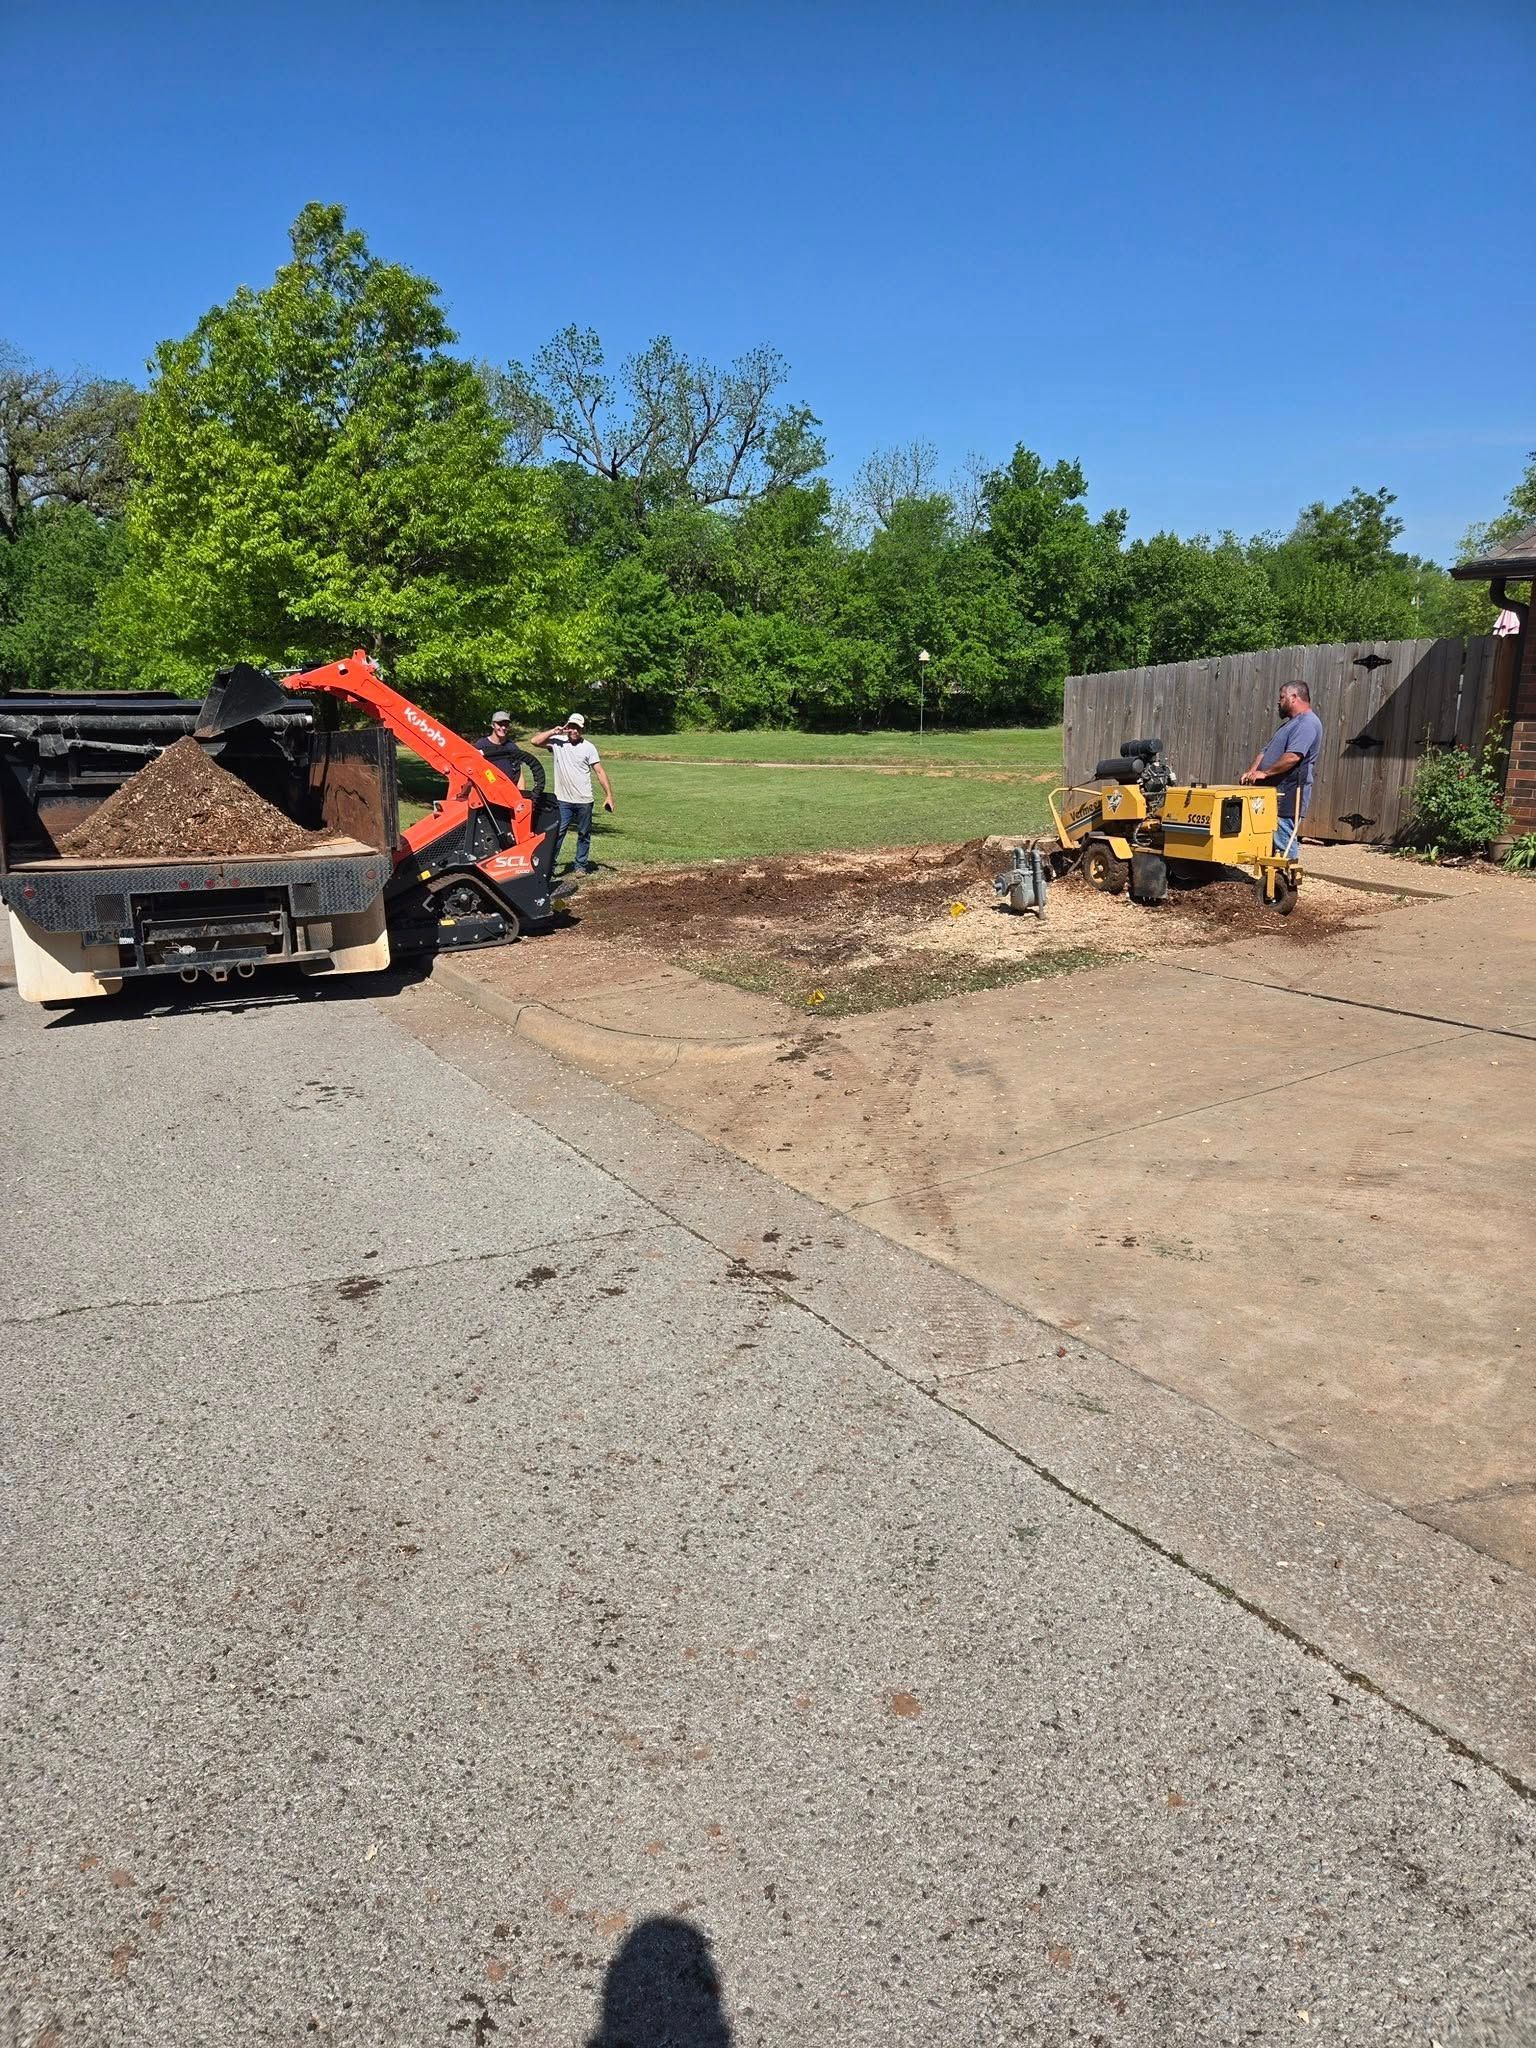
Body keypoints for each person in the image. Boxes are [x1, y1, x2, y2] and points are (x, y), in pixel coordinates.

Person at [1241, 679, 1323, 857]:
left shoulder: (1307, 723)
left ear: (1294, 697)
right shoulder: (1289, 725)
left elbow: (1293, 756)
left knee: (1283, 839)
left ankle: (1287, 882)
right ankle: (1271, 882)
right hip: (1272, 793)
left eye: (1282, 697)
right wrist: (1252, 772)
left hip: (1289, 794)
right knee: (1266, 840)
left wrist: (1265, 773)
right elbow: (1265, 751)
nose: (1279, 702)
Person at [528, 711, 615, 875]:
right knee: (558, 834)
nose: (574, 730)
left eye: (577, 727)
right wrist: (554, 731)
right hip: (562, 800)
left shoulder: (589, 747)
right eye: (571, 726)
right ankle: (549, 866)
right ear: (567, 726)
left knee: (584, 833)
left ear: (582, 729)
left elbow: (600, 772)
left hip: (584, 799)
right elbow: (534, 741)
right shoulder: (557, 742)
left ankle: (580, 865)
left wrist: (609, 796)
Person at [474, 710, 543, 796]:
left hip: (509, 795)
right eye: (499, 724)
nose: (503, 728)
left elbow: (519, 774)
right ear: (492, 725)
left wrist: (521, 796)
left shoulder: (512, 747)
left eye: (506, 725)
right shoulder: (481, 745)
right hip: (487, 795)